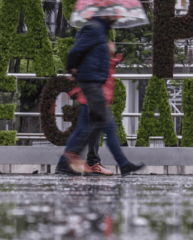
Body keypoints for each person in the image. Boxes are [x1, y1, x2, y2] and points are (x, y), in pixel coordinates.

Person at [60, 15, 143, 176]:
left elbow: (94, 57)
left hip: (94, 84)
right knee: (104, 124)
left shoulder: (101, 31)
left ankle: (65, 163)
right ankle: (74, 156)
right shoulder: (94, 28)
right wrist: (72, 69)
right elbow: (75, 51)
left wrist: (108, 52)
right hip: (91, 84)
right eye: (114, 13)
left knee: (90, 126)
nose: (117, 16)